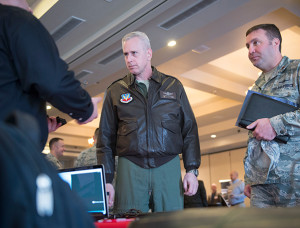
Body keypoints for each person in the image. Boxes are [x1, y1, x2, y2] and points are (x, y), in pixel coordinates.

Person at [97, 31, 201, 213]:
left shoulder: (173, 86)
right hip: (130, 167)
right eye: (126, 54)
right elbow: (105, 138)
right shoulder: (115, 90)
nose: (129, 59)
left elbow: (189, 129)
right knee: (130, 222)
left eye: (134, 53)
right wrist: (106, 180)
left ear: (149, 53)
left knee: (172, 223)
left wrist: (192, 170)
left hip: (168, 165)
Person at [0, 0, 101, 151]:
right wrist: (85, 108)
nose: (30, 9)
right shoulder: (15, 19)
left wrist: (37, 124)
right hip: (10, 151)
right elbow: (53, 82)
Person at [244, 23, 300, 207]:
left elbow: (269, 126)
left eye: (256, 43)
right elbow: (253, 134)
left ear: (275, 42)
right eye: (248, 46)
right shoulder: (257, 85)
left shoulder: (296, 70)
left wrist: (274, 124)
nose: (251, 50)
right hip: (261, 182)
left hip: (294, 179)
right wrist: (249, 177)